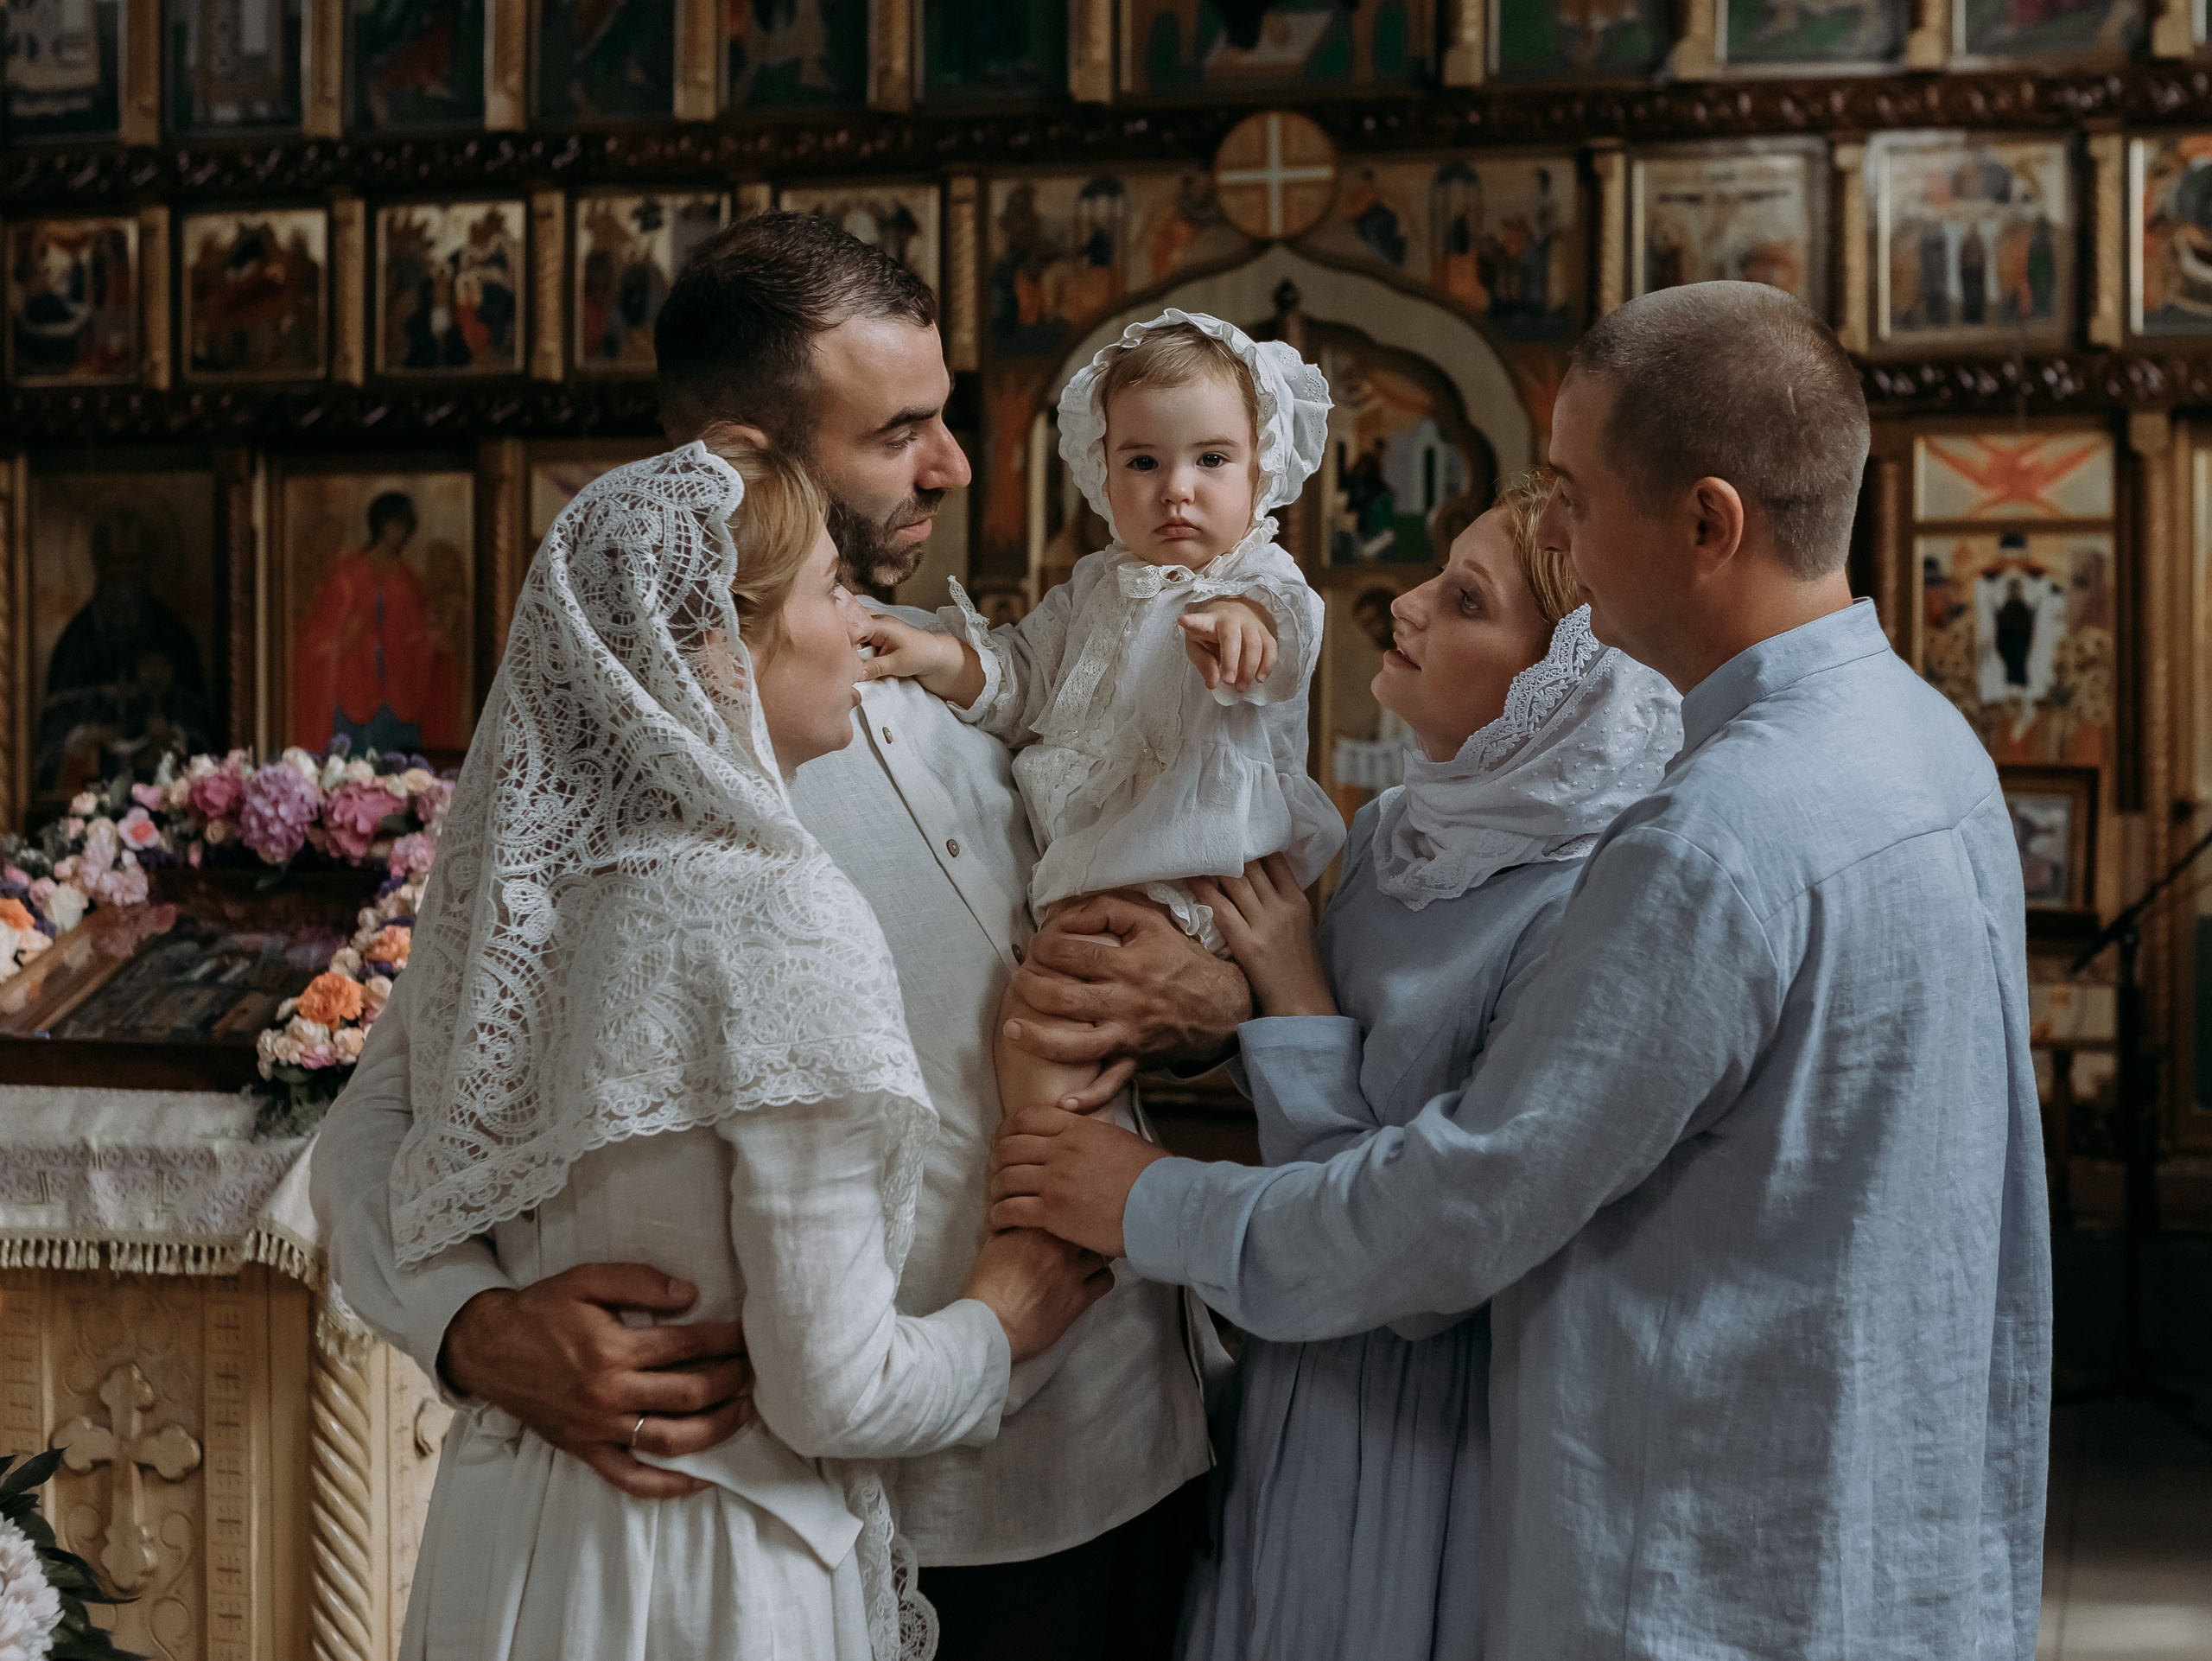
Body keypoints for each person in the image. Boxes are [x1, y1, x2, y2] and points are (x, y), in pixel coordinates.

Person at [989, 281, 2053, 1658]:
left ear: (1707, 524)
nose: (1557, 530)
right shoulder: (1928, 743)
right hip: (1883, 1536)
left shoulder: (1715, 836)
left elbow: (1453, 1218)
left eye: (1574, 495)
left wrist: (1153, 1201)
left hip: (1698, 1557)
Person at [313, 212, 1239, 1660]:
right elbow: (386, 1109)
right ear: (749, 453)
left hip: (1099, 1452)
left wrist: (1212, 992)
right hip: (806, 1509)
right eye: (902, 433)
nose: (953, 464)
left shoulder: (978, 684)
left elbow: (1215, 880)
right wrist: (470, 1328)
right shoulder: (602, 747)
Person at [387, 437, 1109, 1658]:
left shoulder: (519, 894)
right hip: (716, 1566)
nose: (862, 624)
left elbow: (400, 1168)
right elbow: (834, 1388)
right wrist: (1002, 1315)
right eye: (836, 588)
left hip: (508, 1539)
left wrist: (478, 1320)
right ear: (722, 647)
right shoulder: (777, 912)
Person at [1179, 474, 1680, 1661]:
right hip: (1301, 1371)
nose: (1402, 607)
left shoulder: (1582, 902)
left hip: (1438, 1427)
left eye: (1463, 599)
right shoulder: (1397, 833)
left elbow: (1421, 1247)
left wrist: (1296, 999)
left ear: (1566, 688)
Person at [863, 310, 1342, 1122]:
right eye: (1144, 461)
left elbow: (1282, 634)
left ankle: (1038, 1198)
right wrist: (944, 658)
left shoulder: (1257, 576)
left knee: (1036, 1026)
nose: (1176, 489)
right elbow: (1023, 679)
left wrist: (1239, 628)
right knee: (1038, 1024)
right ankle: (1069, 1178)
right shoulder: (1094, 586)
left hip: (1187, 872)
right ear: (1102, 469)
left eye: (1212, 459)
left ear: (1261, 468)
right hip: (1100, 870)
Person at [36, 507, 213, 792]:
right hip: (90, 791)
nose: (123, 573)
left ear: (147, 565)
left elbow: (201, 737)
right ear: (99, 564)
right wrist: (87, 736)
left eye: (132, 561)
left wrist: (172, 736)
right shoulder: (77, 639)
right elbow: (51, 741)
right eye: (114, 561)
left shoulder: (173, 636)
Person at [290, 490, 461, 754]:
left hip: (400, 702)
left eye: (405, 526)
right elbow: (315, 641)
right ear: (379, 524)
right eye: (395, 524)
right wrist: (345, 641)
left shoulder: (409, 582)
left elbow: (418, 635)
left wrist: (430, 641)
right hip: (354, 700)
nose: (400, 532)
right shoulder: (347, 576)